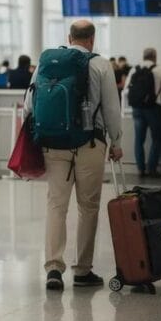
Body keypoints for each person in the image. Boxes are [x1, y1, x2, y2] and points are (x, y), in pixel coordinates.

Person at [24, 20, 123, 291]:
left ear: (69, 38)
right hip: (90, 144)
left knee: (56, 205)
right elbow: (112, 109)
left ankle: (53, 269)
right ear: (92, 39)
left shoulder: (48, 61)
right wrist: (116, 142)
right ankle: (82, 270)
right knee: (88, 207)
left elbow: (29, 103)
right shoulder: (101, 65)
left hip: (54, 144)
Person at [126, 48, 161, 179]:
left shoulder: (134, 69)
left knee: (139, 140)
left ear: (143, 56)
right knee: (157, 138)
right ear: (155, 57)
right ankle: (152, 169)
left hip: (137, 108)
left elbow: (127, 89)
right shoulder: (158, 69)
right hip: (153, 108)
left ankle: (141, 170)